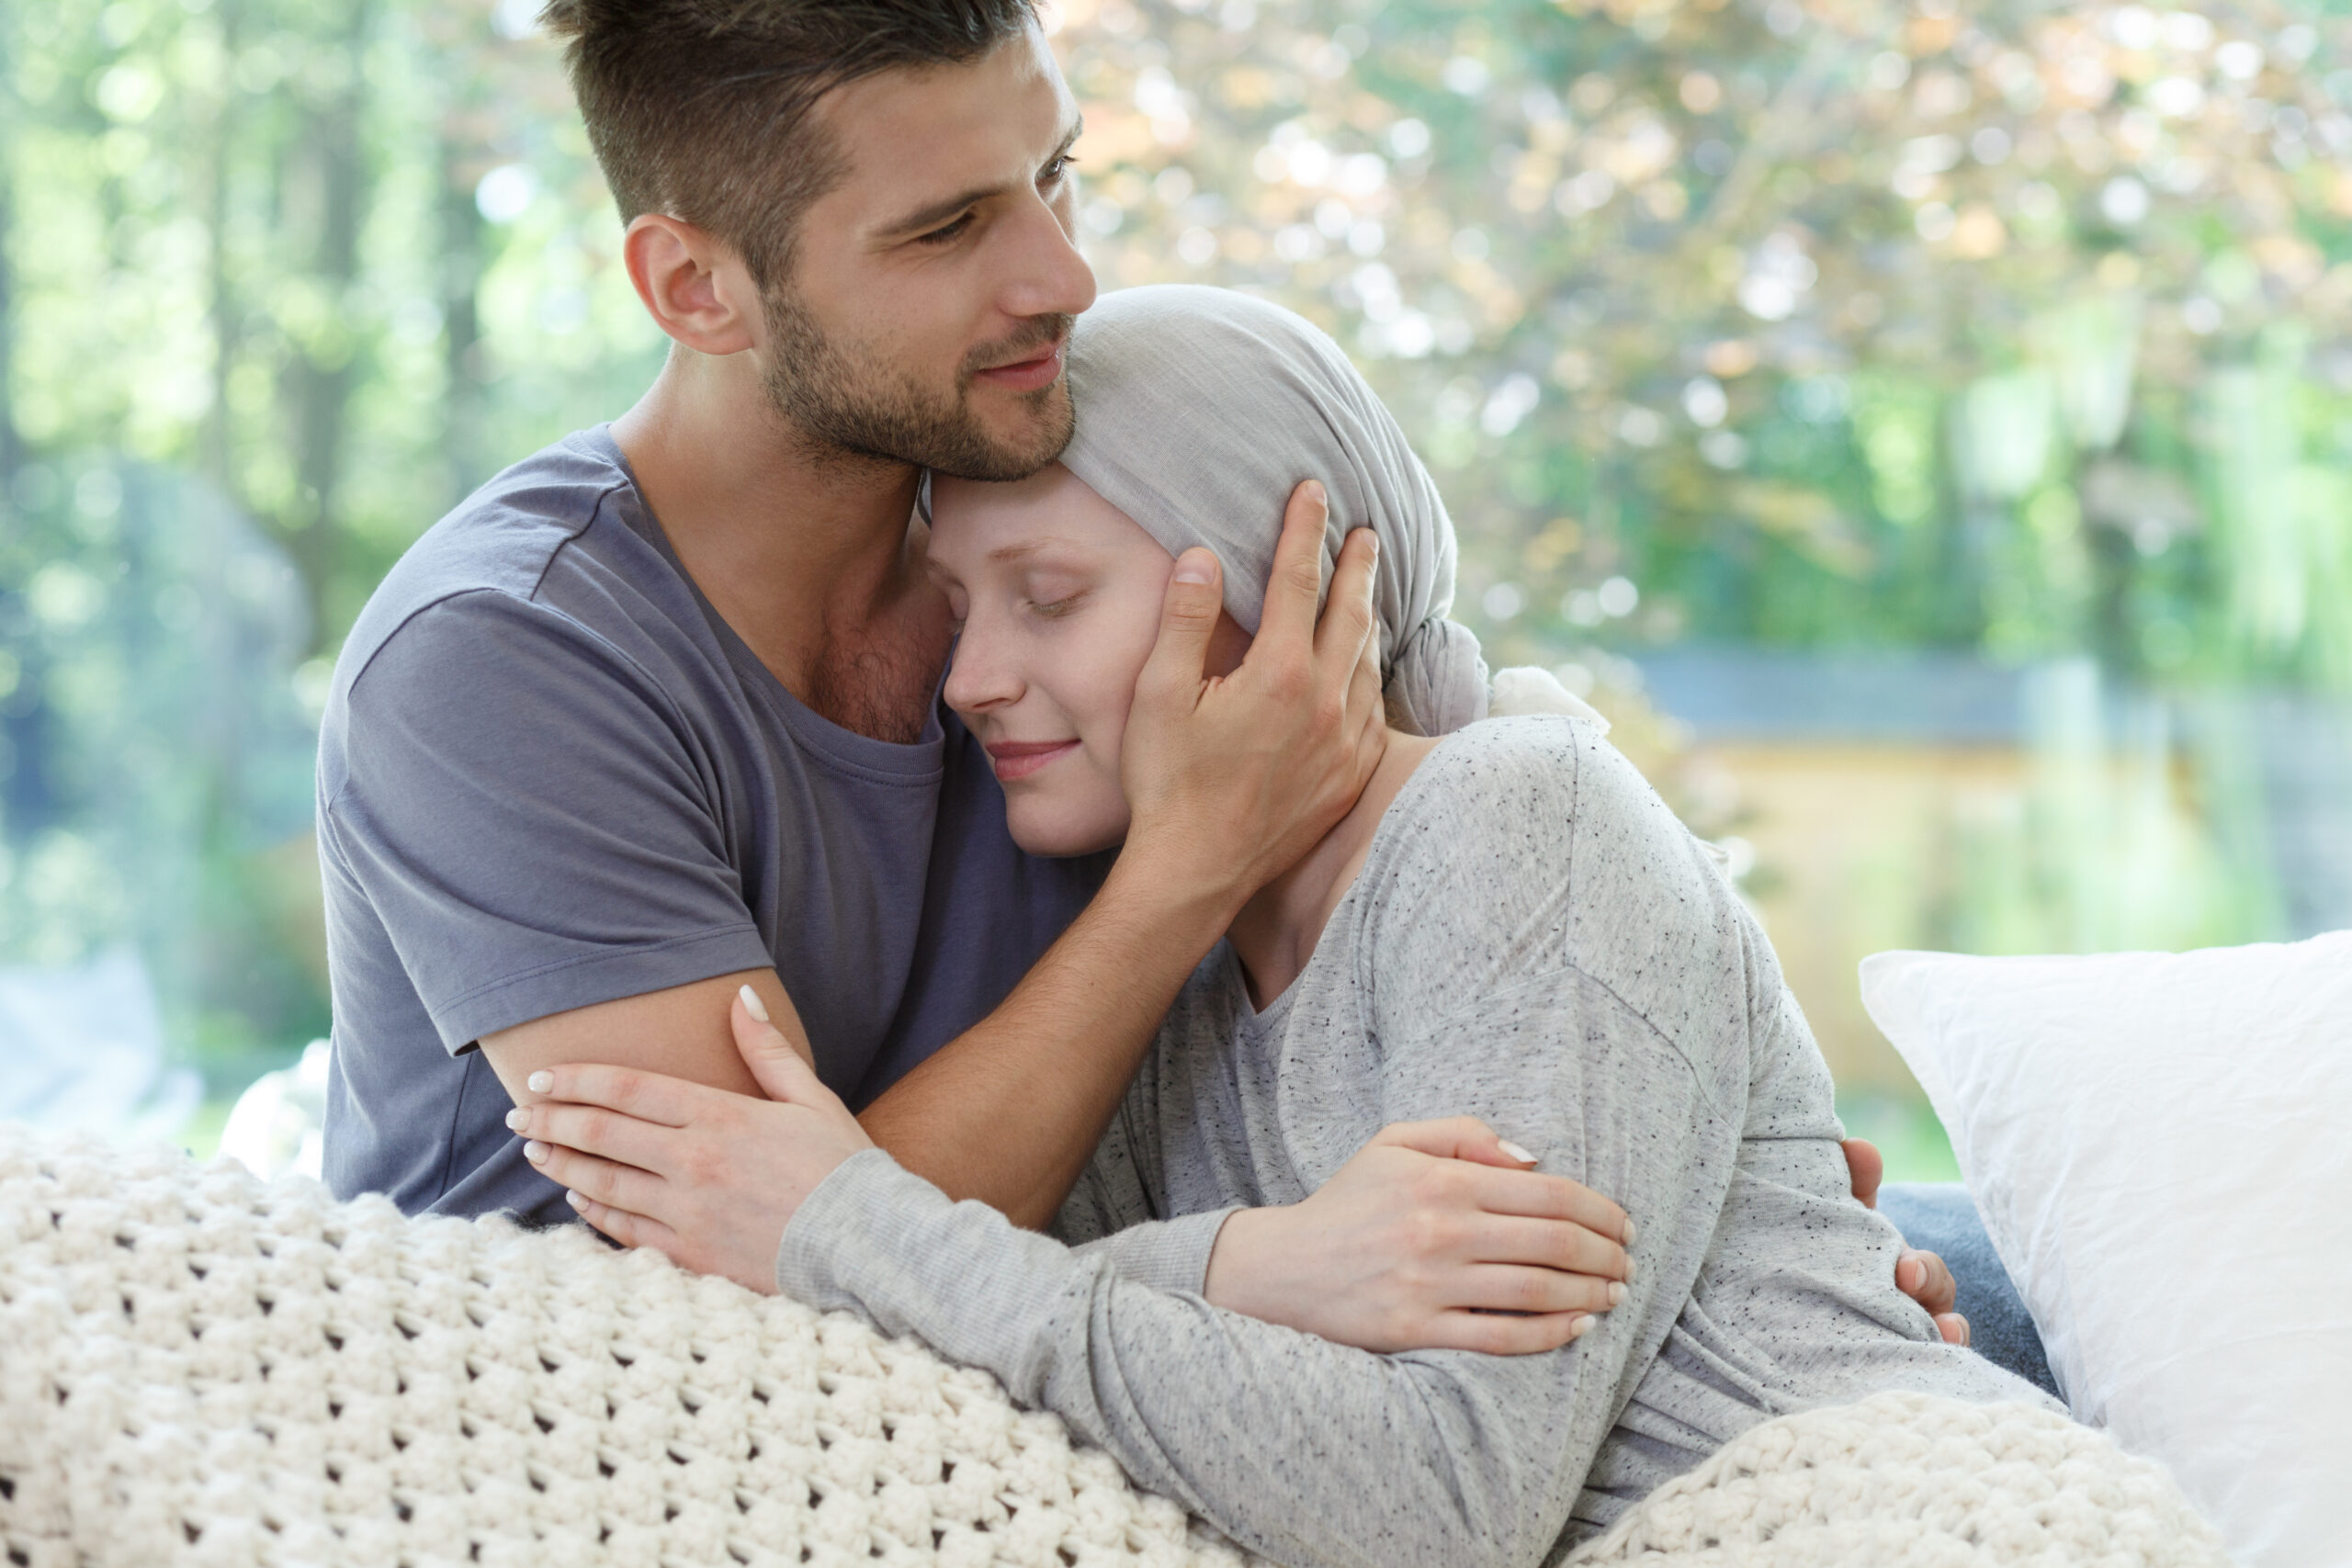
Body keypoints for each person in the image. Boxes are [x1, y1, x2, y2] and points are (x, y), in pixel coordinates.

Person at [322, 0, 1964, 1358]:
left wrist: (1731, 1192)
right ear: (697, 288)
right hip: (615, 1428)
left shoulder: (1072, 561)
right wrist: (1183, 879)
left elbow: (1433, 785)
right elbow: (751, 1272)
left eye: (1056, 176)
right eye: (951, 226)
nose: (1060, 275)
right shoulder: (506, 663)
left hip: (1106, 1354)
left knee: (1970, 1274)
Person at [508, 287, 2053, 1563]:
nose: (971, 676)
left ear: (1294, 582)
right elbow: (1000, 1342)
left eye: (1047, 598)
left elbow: (1444, 1501)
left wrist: (846, 1221)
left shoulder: (1519, 819)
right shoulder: (1156, 992)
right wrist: (1257, 1267)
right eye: (959, 605)